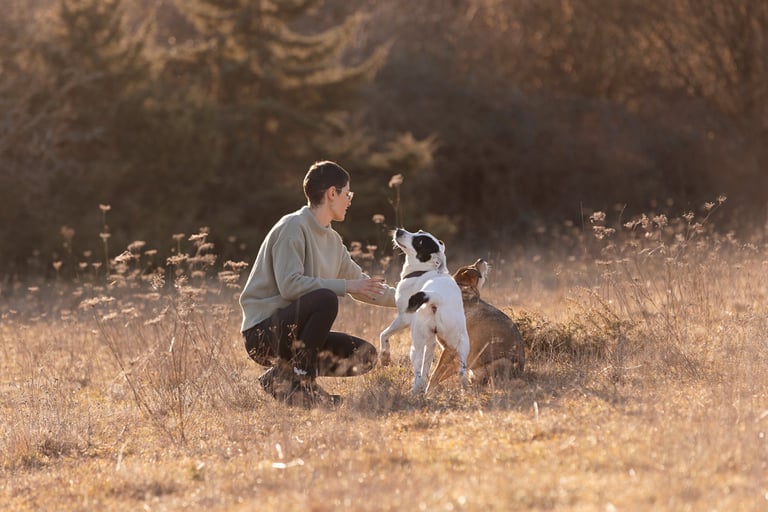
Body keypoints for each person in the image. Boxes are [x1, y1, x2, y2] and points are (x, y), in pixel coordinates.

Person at [239, 160, 396, 407]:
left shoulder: (332, 240)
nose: (350, 200)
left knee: (364, 355)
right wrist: (345, 286)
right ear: (332, 193)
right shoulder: (292, 227)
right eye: (348, 193)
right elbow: (290, 286)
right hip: (263, 335)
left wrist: (416, 299)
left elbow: (363, 285)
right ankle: (302, 385)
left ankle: (280, 378)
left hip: (295, 334)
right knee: (325, 298)